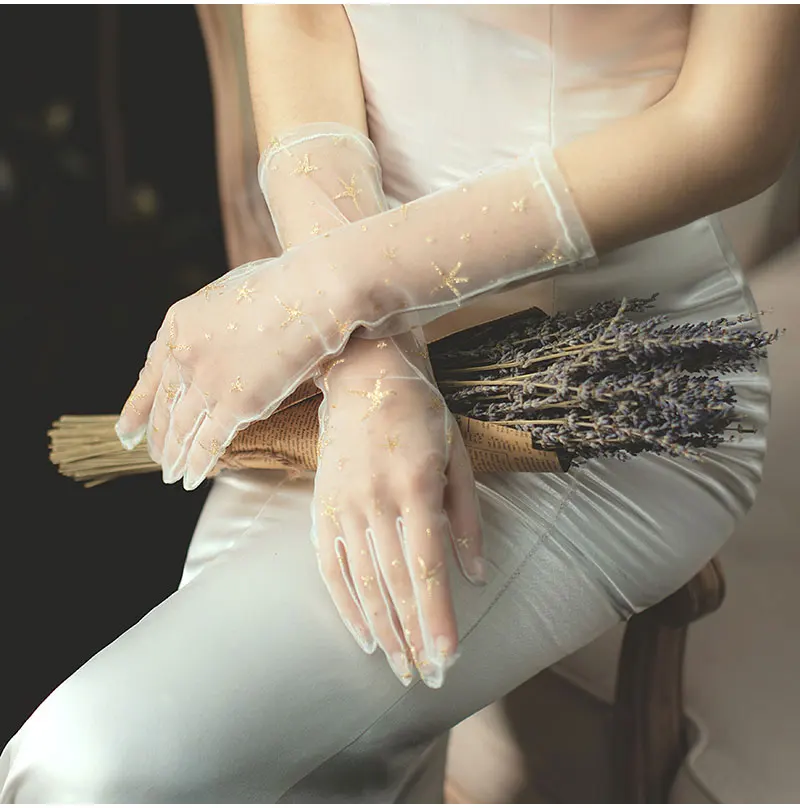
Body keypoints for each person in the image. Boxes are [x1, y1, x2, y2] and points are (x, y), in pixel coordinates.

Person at [2, 5, 799, 803]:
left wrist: (336, 290)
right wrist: (371, 361)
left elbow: (729, 128)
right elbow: (300, 20)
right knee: (301, 772)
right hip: (339, 365)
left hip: (607, 380)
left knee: (88, 771)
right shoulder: (350, 336)